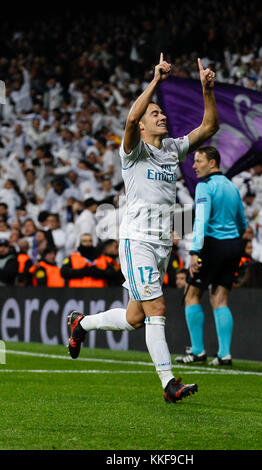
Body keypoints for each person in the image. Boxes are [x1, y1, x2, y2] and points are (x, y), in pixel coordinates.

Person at [67, 53, 219, 403]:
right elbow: (132, 116)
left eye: (162, 112)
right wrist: (155, 81)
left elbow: (209, 128)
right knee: (157, 310)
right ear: (143, 126)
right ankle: (168, 383)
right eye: (156, 114)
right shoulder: (132, 152)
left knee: (136, 317)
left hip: (162, 244)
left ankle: (81, 323)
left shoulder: (172, 149)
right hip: (138, 241)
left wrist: (206, 90)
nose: (162, 116)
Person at [176, 146, 247, 366]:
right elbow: (242, 222)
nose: (194, 166)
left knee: (191, 295)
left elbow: (201, 221)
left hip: (212, 245)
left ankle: (197, 351)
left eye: (199, 161)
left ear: (212, 163)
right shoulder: (232, 187)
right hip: (234, 246)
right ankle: (224, 354)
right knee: (220, 298)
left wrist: (195, 251)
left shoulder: (204, 187)